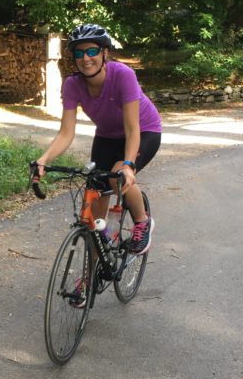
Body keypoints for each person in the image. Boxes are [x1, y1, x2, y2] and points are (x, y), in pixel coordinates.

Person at [34, 23, 161, 255]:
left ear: (104, 53)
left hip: (144, 131)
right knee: (92, 205)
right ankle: (92, 273)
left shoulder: (123, 75)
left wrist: (129, 166)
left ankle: (142, 222)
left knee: (116, 176)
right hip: (107, 136)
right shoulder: (73, 84)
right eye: (79, 53)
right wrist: (43, 159)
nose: (85, 58)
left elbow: (133, 129)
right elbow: (66, 132)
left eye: (92, 51)